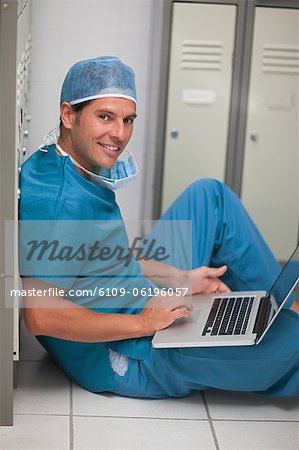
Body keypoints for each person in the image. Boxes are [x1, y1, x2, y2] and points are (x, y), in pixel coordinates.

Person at [19, 56, 299, 398]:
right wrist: (143, 323)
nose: (119, 134)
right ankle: (281, 322)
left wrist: (179, 278)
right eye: (104, 117)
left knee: (209, 195)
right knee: (290, 347)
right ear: (68, 115)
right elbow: (40, 317)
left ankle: (275, 313)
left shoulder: (65, 162)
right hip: (129, 350)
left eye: (127, 120)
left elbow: (99, 253)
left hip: (137, 298)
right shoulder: (62, 204)